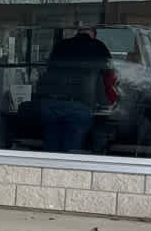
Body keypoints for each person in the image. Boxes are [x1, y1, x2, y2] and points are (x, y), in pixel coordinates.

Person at [39, 23, 117, 153]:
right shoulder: (98, 46)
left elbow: (48, 71)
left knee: (50, 150)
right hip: (79, 106)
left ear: (78, 32)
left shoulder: (61, 45)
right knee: (71, 152)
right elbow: (108, 77)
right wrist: (108, 102)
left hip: (50, 105)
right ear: (93, 34)